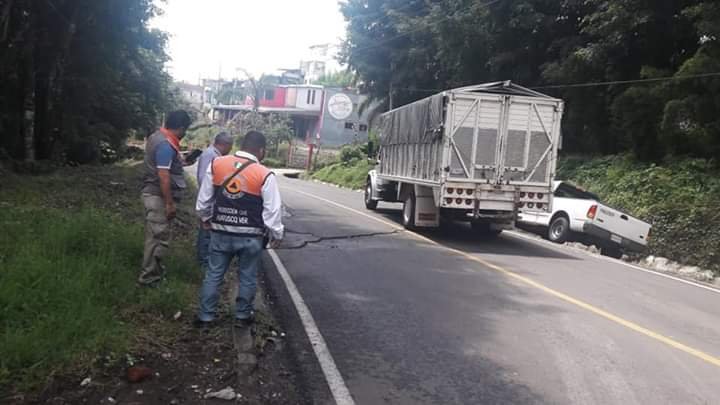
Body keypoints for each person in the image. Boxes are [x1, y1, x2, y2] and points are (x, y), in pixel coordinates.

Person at [194, 131, 284, 328]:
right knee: (248, 276)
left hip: (220, 232)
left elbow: (203, 200)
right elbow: (272, 210)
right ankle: (242, 316)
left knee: (214, 274)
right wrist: (276, 234)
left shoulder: (217, 164)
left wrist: (205, 218)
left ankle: (205, 318)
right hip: (251, 237)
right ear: (261, 150)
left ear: (242, 145)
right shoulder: (264, 173)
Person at [139, 110, 193, 285]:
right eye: (185, 130)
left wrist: (182, 161)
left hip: (152, 193)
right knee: (157, 239)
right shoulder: (165, 144)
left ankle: (154, 273)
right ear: (181, 128)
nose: (185, 134)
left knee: (154, 237)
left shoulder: (157, 137)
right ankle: (149, 279)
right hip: (158, 197)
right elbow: (163, 175)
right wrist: (169, 204)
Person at [195, 132, 234, 271]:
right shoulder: (210, 155)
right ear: (225, 145)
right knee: (205, 233)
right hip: (207, 201)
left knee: (208, 232)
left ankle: (205, 261)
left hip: (210, 201)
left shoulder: (214, 155)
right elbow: (203, 179)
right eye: (230, 146)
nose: (230, 150)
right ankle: (203, 263)